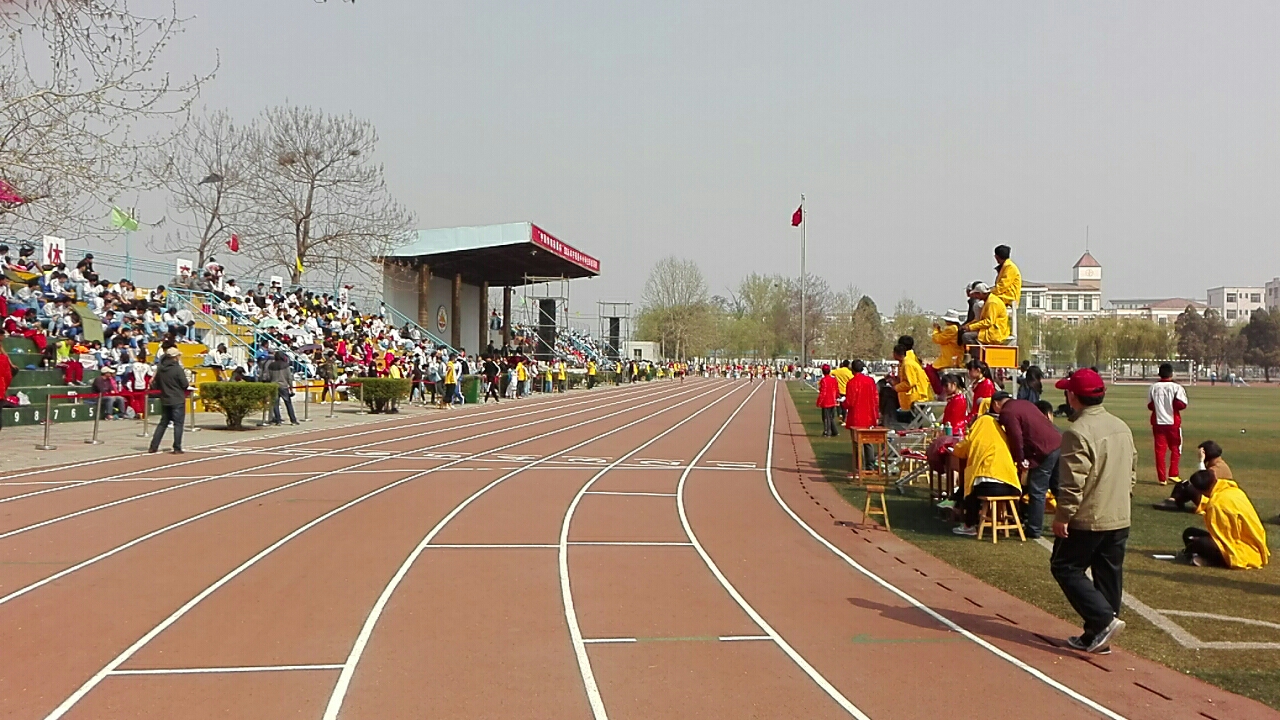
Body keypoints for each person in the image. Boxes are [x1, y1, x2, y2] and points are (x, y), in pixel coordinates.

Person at [1049, 368, 1136, 654]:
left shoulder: (1077, 432)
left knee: (1065, 566)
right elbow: (1132, 470)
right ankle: (1097, 634)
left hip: (1089, 517)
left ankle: (1101, 620)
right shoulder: (1121, 426)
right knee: (1108, 573)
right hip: (1118, 512)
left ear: (1072, 396)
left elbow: (1073, 483)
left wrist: (1063, 517)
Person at [948, 396, 1022, 536]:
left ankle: (969, 525)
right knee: (972, 483)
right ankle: (1010, 520)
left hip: (988, 485)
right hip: (1011, 484)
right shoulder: (1004, 426)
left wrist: (955, 449)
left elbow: (968, 444)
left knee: (970, 489)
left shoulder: (982, 422)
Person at [995, 392, 1062, 539]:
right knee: (1058, 487)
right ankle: (1072, 523)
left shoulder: (1007, 412)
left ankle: (1034, 529)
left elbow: (1016, 437)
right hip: (1057, 442)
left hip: (1043, 449)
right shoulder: (1024, 404)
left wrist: (1020, 460)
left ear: (996, 404)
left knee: (1037, 490)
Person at [1181, 470, 1269, 569]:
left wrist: (1195, 546)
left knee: (1202, 543)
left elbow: (1226, 539)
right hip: (1250, 541)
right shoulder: (1232, 490)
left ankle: (1209, 560)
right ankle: (1200, 556)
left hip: (1244, 549)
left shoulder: (1216, 505)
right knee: (1190, 533)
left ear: (1201, 491)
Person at [1153, 440, 1233, 512]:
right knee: (1183, 484)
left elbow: (1202, 482)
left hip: (1215, 501)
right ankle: (1173, 501)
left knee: (1187, 486)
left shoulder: (1217, 468)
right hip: (1214, 497)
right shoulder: (1219, 464)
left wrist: (1201, 461)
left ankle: (1174, 502)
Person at [1147, 362, 1189, 485]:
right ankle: (1173, 473)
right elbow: (1182, 404)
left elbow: (1150, 405)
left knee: (1160, 451)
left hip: (1157, 422)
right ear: (1171, 373)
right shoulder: (1177, 387)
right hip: (1172, 422)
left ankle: (1161, 478)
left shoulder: (1153, 387)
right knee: (1176, 448)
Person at [149, 347, 190, 454]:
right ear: (175, 357)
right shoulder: (177, 369)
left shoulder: (161, 369)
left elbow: (156, 383)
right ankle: (177, 447)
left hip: (165, 398)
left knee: (163, 423)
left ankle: (153, 446)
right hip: (177, 399)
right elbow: (185, 384)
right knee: (178, 424)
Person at [842, 359, 881, 471]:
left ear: (852, 370)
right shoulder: (870, 381)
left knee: (856, 443)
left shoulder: (852, 383)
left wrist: (843, 404)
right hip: (869, 416)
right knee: (868, 442)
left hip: (856, 417)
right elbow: (875, 398)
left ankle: (858, 467)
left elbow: (850, 402)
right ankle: (870, 466)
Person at [892, 342, 933, 422]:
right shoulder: (905, 363)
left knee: (914, 420)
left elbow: (910, 383)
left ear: (896, 354)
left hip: (918, 396)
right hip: (917, 395)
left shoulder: (907, 364)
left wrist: (896, 388)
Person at [266, 350, 298, 425]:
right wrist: (291, 387)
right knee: (288, 404)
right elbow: (289, 377)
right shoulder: (285, 365)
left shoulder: (271, 365)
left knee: (275, 404)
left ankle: (278, 420)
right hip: (283, 386)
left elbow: (268, 376)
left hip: (274, 385)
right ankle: (293, 420)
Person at [991, 244, 1022, 309]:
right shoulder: (1004, 266)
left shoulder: (1009, 267)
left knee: (981, 304)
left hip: (1008, 296)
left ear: (996, 257)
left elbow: (1002, 286)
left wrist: (989, 292)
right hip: (1003, 295)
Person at [816, 364, 839, 437]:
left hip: (826, 401)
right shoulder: (833, 379)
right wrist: (837, 398)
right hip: (833, 400)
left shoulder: (824, 380)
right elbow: (836, 390)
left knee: (826, 418)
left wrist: (819, 402)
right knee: (831, 417)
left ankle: (827, 431)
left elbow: (823, 392)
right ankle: (834, 431)